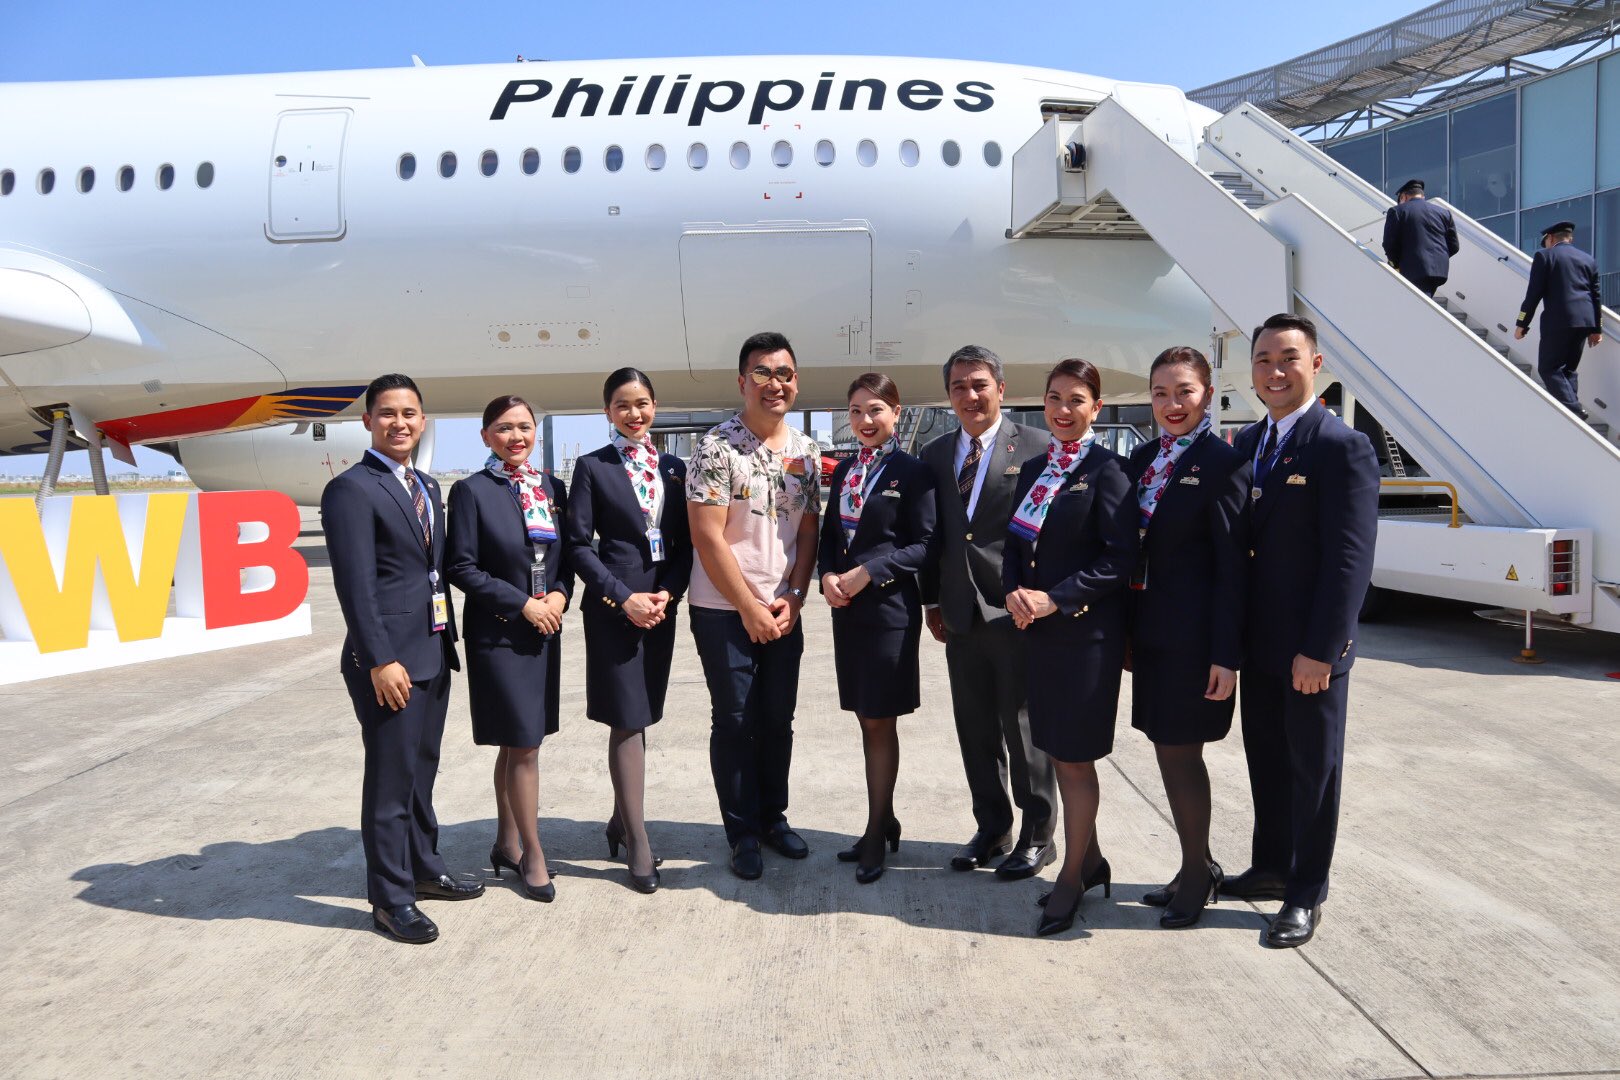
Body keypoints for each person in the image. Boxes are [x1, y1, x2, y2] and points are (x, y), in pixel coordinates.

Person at [1223, 313, 1378, 949]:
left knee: (1313, 768)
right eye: (1263, 360)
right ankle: (1270, 865)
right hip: (1259, 646)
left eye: (1288, 358)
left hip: (1309, 649)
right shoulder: (1248, 444)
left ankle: (1306, 891)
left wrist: (1322, 649)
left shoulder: (1340, 445)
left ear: (1315, 364)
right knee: (1266, 759)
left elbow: (1350, 559)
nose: (1274, 371)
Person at [321, 373, 483, 945]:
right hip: (387, 661)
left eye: (410, 413)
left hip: (433, 650)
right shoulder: (351, 489)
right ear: (368, 421)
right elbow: (355, 587)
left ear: (423, 420)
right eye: (387, 413)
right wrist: (378, 659)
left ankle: (425, 867)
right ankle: (391, 900)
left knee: (422, 773)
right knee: (390, 783)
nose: (400, 423)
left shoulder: (427, 486)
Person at [1002, 358, 1136, 937]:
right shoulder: (1034, 467)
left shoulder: (1110, 471)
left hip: (1084, 636)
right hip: (1039, 633)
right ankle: (1091, 858)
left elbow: (1119, 559)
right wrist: (1013, 593)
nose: (1061, 410)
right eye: (1054, 398)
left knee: (1075, 760)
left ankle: (1072, 877)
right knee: (1056, 751)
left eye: (1075, 400)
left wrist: (1056, 598)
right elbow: (1014, 543)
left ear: (1096, 408)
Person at [918, 346, 1057, 880]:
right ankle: (992, 825)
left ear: (1000, 388)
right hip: (958, 614)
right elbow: (935, 539)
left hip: (1015, 611)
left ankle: (1038, 833)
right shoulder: (934, 453)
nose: (969, 396)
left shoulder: (1040, 447)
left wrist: (1043, 596)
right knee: (974, 728)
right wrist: (932, 599)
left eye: (979, 384)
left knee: (1022, 729)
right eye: (958, 386)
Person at [686, 331, 821, 880]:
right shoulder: (716, 447)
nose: (775, 384)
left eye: (784, 374)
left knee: (777, 720)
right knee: (736, 720)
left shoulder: (808, 451)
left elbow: (809, 532)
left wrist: (793, 596)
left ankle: (773, 818)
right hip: (723, 610)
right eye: (762, 374)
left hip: (783, 608)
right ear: (743, 382)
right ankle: (740, 831)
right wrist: (747, 606)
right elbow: (707, 535)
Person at [1125, 347, 1249, 929]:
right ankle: (1191, 864)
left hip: (1194, 638)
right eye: (1160, 393)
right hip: (1150, 630)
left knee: (1180, 753)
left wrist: (1227, 654)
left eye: (1185, 392)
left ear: (1207, 395)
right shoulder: (1143, 459)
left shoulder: (1222, 463)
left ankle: (1199, 874)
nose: (1172, 405)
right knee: (1165, 748)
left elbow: (1232, 567)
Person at [564, 368, 692, 894]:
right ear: (607, 412)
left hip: (660, 607)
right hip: (616, 609)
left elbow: (685, 543)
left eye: (642, 404)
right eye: (622, 405)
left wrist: (669, 593)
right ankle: (638, 841)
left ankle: (620, 820)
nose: (634, 414)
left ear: (655, 407)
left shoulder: (675, 467)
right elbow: (577, 545)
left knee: (646, 712)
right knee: (627, 719)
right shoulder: (593, 467)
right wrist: (623, 596)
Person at [445, 395, 573, 904]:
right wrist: (524, 605)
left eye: (523, 428)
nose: (515, 437)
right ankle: (533, 854)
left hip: (545, 627)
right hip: (502, 632)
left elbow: (565, 555)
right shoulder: (472, 491)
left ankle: (505, 842)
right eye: (503, 429)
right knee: (524, 744)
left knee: (518, 740)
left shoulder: (550, 487)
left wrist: (562, 594)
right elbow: (463, 567)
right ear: (485, 437)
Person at [818, 373, 938, 883]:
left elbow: (928, 543)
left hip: (889, 613)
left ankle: (875, 832)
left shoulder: (913, 472)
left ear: (895, 412)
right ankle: (884, 818)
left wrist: (872, 570)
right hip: (848, 612)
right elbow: (830, 536)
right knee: (863, 717)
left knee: (878, 720)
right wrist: (826, 575)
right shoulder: (846, 470)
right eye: (856, 411)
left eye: (876, 411)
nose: (865, 421)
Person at [1514, 220, 1604, 419]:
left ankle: (1573, 409)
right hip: (1584, 321)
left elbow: (1533, 294)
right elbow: (1596, 297)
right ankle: (1572, 413)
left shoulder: (1544, 256)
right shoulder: (1588, 260)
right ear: (1569, 238)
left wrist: (1522, 323)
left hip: (1559, 321)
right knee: (1568, 370)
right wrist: (1597, 328)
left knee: (1549, 367)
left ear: (1551, 238)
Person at [1381, 178, 1459, 298]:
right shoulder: (1444, 213)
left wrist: (1396, 263)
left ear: (1404, 197)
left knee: (1417, 307)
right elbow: (1454, 246)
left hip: (1413, 269)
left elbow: (1389, 244)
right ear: (1422, 196)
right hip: (1439, 270)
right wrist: (1438, 256)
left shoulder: (1397, 211)